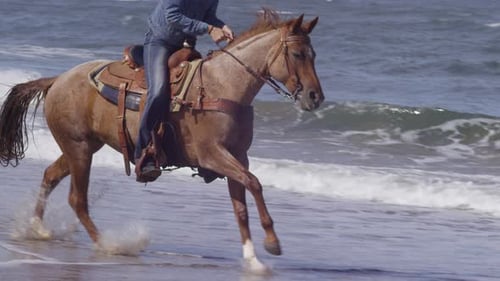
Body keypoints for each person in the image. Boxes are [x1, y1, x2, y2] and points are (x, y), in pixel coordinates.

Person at [135, 0, 234, 182]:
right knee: (157, 92)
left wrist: (221, 26)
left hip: (185, 46)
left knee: (201, 92)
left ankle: (203, 156)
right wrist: (210, 29)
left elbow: (207, 16)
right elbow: (172, 16)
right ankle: (142, 151)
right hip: (160, 42)